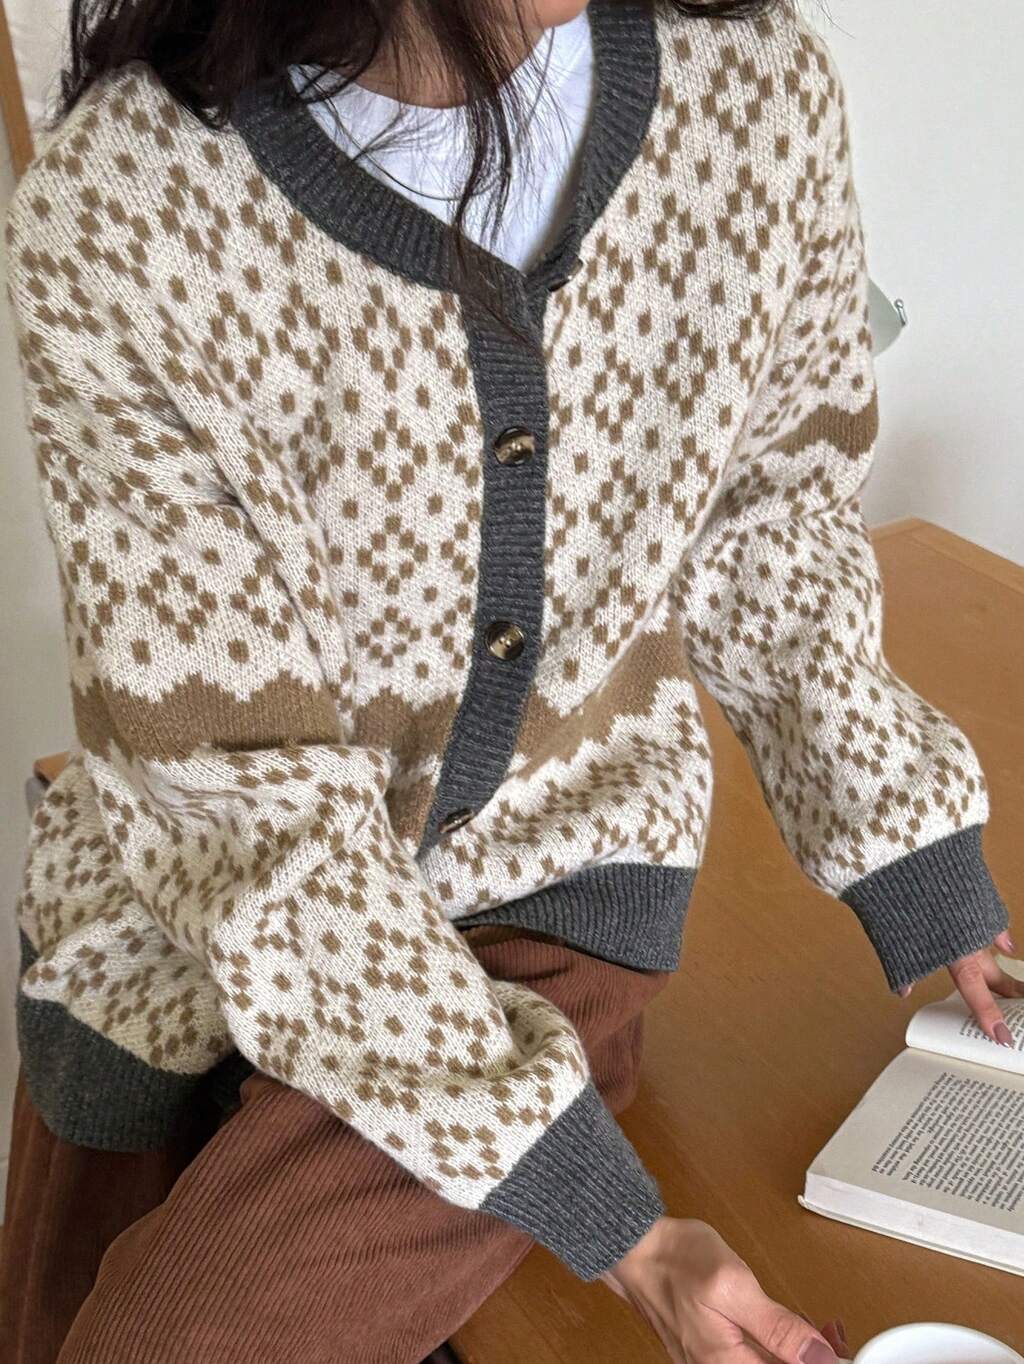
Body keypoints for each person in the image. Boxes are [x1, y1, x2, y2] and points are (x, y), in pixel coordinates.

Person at [0, 0, 1018, 1360]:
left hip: (546, 900)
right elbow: (237, 798)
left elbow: (768, 516)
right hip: (201, 897)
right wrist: (623, 1228)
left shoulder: (753, 92)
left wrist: (910, 847)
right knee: (76, 1267)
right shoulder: (123, 204)